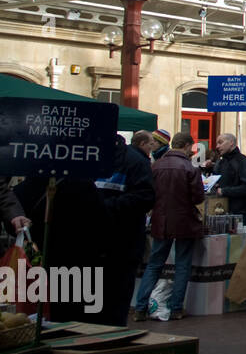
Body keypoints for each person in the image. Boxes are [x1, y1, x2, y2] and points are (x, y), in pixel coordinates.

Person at [17, 135, 155, 326]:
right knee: (70, 313)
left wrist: (102, 208)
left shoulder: (132, 161)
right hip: (71, 255)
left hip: (117, 252)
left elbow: (146, 197)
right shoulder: (70, 159)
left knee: (108, 315)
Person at [134, 132, 204, 322]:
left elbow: (148, 192)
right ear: (188, 146)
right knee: (182, 265)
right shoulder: (190, 168)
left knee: (154, 264)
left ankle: (140, 308)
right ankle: (175, 308)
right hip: (184, 221)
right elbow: (198, 198)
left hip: (160, 220)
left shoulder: (156, 166)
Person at [203, 133, 246, 225]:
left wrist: (224, 191)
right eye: (217, 143)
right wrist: (207, 168)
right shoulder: (221, 161)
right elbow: (216, 179)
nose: (217, 146)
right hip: (222, 210)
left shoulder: (242, 161)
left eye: (220, 142)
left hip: (240, 212)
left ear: (231, 143)